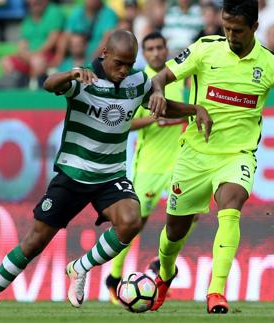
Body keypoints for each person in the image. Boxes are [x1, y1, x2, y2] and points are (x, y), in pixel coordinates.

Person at [0, 29, 212, 315]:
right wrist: (72, 74)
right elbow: (49, 84)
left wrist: (192, 109)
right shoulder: (84, 79)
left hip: (110, 176)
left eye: (129, 63)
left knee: (131, 221)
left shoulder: (138, 81)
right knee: (35, 241)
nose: (124, 71)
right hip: (73, 174)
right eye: (118, 63)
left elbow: (162, 105)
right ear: (104, 54)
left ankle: (80, 268)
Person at [147, 0, 274, 314]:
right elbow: (159, 78)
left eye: (238, 30)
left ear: (255, 28)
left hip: (238, 154)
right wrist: (160, 92)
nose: (230, 34)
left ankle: (216, 290)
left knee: (231, 203)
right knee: (174, 233)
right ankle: (165, 273)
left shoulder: (272, 65)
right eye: (226, 27)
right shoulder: (205, 49)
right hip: (195, 154)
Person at [104, 31, 193, 304]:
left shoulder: (177, 80)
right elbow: (124, 123)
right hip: (149, 167)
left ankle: (159, 264)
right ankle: (114, 278)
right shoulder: (136, 83)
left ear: (166, 49)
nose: (155, 52)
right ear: (144, 53)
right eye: (150, 49)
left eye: (159, 47)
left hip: (179, 163)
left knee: (191, 215)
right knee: (133, 225)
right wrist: (155, 118)